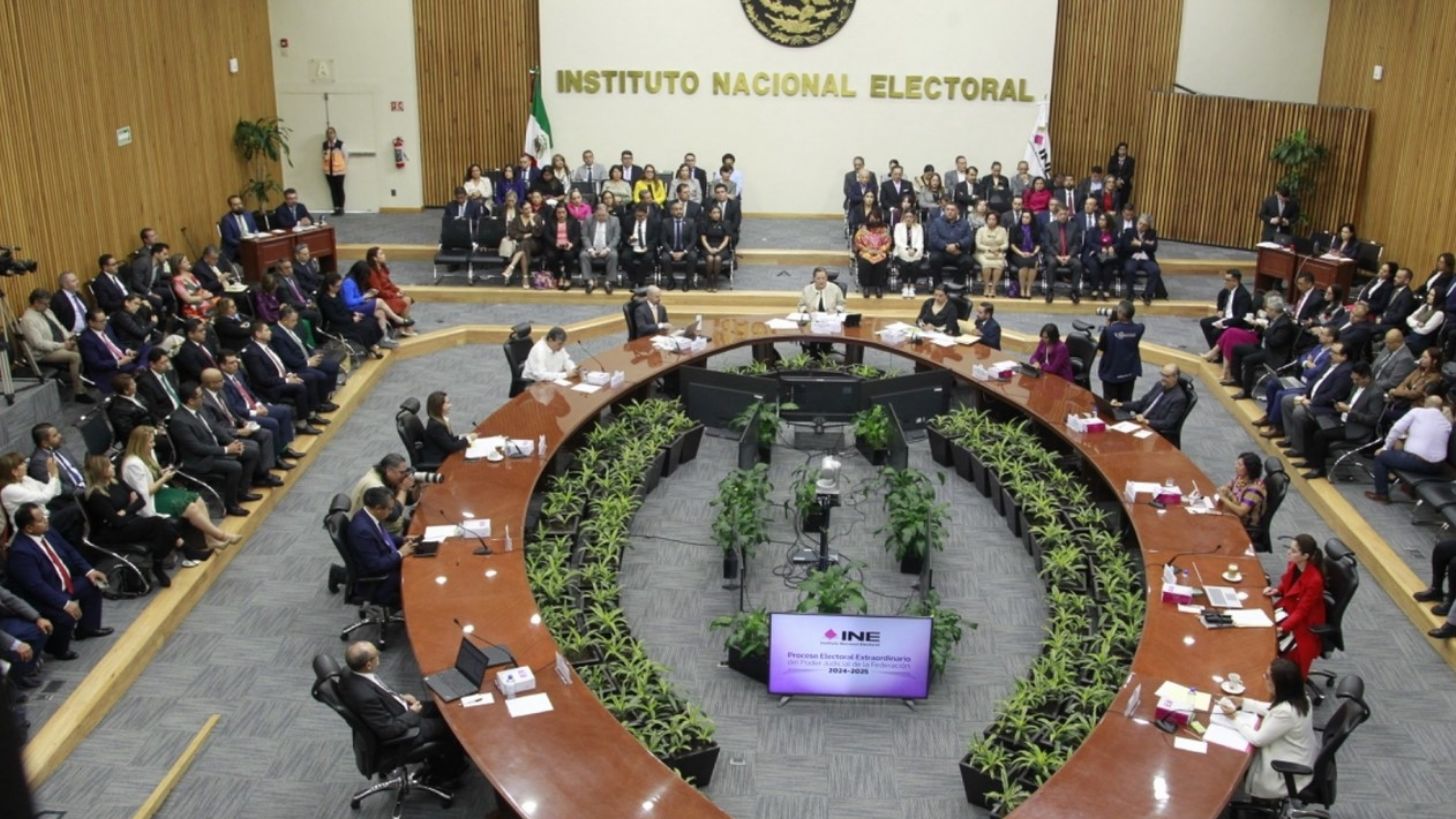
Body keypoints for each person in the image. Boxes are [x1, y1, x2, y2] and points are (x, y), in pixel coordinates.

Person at [338, 640, 468, 787]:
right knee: (453, 725)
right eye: (376, 655)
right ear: (368, 664)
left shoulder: (350, 674)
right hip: (404, 733)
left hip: (398, 710)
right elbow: (389, 730)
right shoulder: (365, 697)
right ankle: (447, 774)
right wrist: (412, 713)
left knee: (445, 708)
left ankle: (438, 759)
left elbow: (381, 694)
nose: (379, 656)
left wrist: (400, 697)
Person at [6, 502, 112, 660]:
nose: (46, 520)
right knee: (66, 615)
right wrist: (64, 603)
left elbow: (70, 551)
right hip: (42, 596)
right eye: (41, 520)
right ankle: (58, 650)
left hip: (62, 583)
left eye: (44, 516)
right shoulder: (21, 552)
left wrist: (89, 571)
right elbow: (36, 586)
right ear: (29, 528)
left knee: (92, 584)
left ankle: (87, 628)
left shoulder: (48, 532)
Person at [121, 425, 237, 553]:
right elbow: (145, 492)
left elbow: (154, 474)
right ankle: (221, 535)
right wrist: (164, 478)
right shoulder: (133, 464)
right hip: (148, 501)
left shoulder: (149, 453)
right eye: (150, 442)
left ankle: (210, 541)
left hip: (160, 491)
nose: (153, 445)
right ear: (140, 443)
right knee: (192, 509)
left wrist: (162, 472)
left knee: (197, 498)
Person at [1216, 657, 1315, 801]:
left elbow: (1258, 740)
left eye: (1268, 676)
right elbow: (1272, 709)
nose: (1264, 677)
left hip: (1283, 771)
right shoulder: (1301, 698)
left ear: (1279, 684)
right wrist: (1243, 703)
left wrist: (1234, 717)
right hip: (1300, 757)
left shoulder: (1286, 712)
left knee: (1228, 757)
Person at [81, 454, 184, 588]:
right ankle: (173, 555)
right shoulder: (96, 496)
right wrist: (130, 507)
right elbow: (117, 521)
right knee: (158, 523)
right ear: (101, 471)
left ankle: (160, 564)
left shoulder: (116, 481)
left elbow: (141, 500)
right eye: (109, 465)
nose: (113, 466)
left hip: (128, 521)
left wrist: (126, 511)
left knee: (161, 528)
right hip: (113, 532)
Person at [167, 381, 261, 517]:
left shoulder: (201, 409)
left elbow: (216, 428)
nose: (204, 398)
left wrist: (232, 442)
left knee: (251, 451)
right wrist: (226, 450)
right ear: (190, 400)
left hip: (214, 449)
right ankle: (231, 505)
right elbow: (196, 448)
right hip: (199, 460)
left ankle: (242, 492)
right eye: (200, 396)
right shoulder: (179, 421)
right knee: (234, 467)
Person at [1292, 361, 1384, 479]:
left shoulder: (1376, 393)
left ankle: (1319, 469)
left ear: (1366, 377)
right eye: (1353, 379)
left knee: (1320, 435)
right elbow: (1350, 402)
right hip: (1342, 420)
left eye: (1357, 380)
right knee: (1309, 423)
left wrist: (1349, 411)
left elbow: (1372, 420)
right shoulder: (1357, 386)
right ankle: (1310, 460)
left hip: (1356, 429)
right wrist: (1340, 406)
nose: (1354, 382)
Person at [1261, 535, 1328, 680]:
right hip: (1288, 610)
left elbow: (1302, 612)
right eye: (1289, 548)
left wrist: (1282, 628)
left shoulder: (1314, 581)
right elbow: (1288, 585)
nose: (1288, 553)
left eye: (1294, 551)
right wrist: (1277, 590)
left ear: (1305, 556)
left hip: (1303, 624)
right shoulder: (1293, 565)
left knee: (1269, 641)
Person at [1366, 393, 1453, 504]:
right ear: (1440, 408)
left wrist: (1385, 447)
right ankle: (1407, 488)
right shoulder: (1446, 423)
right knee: (1402, 451)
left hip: (1418, 462)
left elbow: (1396, 429)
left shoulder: (1417, 412)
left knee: (1381, 456)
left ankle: (1381, 494)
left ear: (1425, 404)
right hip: (1437, 466)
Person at [345, 487, 417, 607]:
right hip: (381, 580)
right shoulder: (362, 531)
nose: (392, 512)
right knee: (418, 581)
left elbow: (382, 536)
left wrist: (403, 539)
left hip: (387, 561)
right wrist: (400, 553)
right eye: (390, 509)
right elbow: (375, 566)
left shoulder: (367, 515)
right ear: (378, 508)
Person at [1279, 341, 1353, 457]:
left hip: (1326, 407)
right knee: (1287, 400)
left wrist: (1312, 402)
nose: (1330, 354)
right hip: (1312, 398)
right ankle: (1291, 438)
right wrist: (1305, 394)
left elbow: (1334, 395)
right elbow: (1315, 380)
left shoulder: (1346, 371)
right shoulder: (1329, 363)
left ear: (1344, 356)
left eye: (1334, 352)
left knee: (1299, 412)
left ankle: (1298, 448)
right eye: (1331, 351)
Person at [18, 289, 88, 401]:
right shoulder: (28, 320)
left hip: (59, 344)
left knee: (81, 347)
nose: (48, 306)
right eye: (45, 304)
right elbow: (39, 344)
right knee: (75, 357)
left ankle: (83, 379)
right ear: (36, 302)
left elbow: (59, 326)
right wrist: (63, 345)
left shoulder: (47, 311)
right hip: (42, 353)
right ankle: (79, 392)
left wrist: (69, 337)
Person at [1229, 296, 1297, 400]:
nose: (1266, 311)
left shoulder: (1285, 324)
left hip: (1274, 353)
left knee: (1248, 360)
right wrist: (1257, 325)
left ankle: (1246, 391)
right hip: (1263, 347)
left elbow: (1275, 342)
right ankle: (1238, 380)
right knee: (1236, 348)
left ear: (1274, 310)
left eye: (1268, 309)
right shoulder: (1272, 319)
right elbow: (1263, 335)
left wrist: (1266, 328)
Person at [318, 271, 386, 356]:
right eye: (338, 286)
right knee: (365, 327)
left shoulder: (337, 294)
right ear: (330, 286)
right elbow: (333, 317)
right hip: (338, 325)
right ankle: (372, 347)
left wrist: (354, 313)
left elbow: (344, 308)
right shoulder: (325, 300)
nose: (340, 288)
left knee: (371, 320)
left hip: (346, 317)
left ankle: (373, 344)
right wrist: (351, 319)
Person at [349, 454, 417, 537]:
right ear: (389, 470)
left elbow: (407, 501)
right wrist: (403, 489)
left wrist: (417, 486)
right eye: (401, 472)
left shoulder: (382, 475)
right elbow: (393, 514)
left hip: (387, 526)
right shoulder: (375, 486)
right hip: (378, 533)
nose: (405, 476)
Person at [1112, 365, 1187, 435]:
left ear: (1175, 377)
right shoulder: (1159, 385)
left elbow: (1168, 423)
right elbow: (1141, 403)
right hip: (1139, 421)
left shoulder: (1179, 398)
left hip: (1153, 430)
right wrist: (1121, 404)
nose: (1163, 378)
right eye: (1162, 374)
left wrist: (1146, 421)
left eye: (1166, 376)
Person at [1095, 300, 1144, 401]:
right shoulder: (1139, 329)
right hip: (1129, 374)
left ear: (1121, 313)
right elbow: (1138, 326)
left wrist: (1109, 325)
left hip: (1111, 374)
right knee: (1126, 402)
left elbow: (1101, 347)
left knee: (1110, 404)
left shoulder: (1109, 330)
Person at [1200, 270, 1254, 351]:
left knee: (1216, 332)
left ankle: (1219, 353)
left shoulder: (1243, 295)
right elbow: (1221, 295)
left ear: (1235, 282)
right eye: (1224, 279)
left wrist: (1224, 323)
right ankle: (1214, 349)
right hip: (1226, 318)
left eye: (1227, 280)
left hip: (1236, 322)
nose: (1224, 282)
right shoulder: (1227, 289)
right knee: (1204, 322)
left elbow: (1240, 317)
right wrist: (1220, 309)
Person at [420, 391, 476, 466]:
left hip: (445, 454)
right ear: (439, 406)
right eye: (447, 403)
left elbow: (448, 440)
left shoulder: (440, 420)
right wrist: (468, 439)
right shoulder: (435, 426)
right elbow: (451, 447)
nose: (450, 405)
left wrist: (462, 436)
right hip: (440, 461)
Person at [927, 203, 975, 287]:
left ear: (957, 211)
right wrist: (946, 246)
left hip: (958, 252)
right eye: (947, 210)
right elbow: (934, 238)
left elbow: (969, 238)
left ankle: (957, 285)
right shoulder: (937, 222)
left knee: (968, 261)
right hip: (941, 252)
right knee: (934, 259)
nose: (950, 212)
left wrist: (957, 245)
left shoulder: (964, 223)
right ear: (944, 211)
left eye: (952, 210)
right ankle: (938, 286)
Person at [1041, 208, 1082, 304]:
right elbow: (1047, 245)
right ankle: (1050, 290)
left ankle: (1074, 291)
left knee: (1078, 265)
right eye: (1060, 214)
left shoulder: (1074, 226)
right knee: (1051, 263)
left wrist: (1069, 256)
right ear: (1056, 215)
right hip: (1053, 255)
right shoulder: (1049, 226)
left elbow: (1077, 244)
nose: (1063, 216)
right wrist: (1057, 256)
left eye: (1065, 214)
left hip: (1069, 255)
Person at [1120, 213, 1162, 305]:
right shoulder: (1129, 231)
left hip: (1146, 259)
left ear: (1148, 226)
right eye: (1140, 223)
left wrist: (1139, 243)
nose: (1141, 226)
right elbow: (1126, 247)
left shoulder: (1152, 233)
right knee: (1129, 269)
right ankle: (1130, 294)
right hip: (1132, 258)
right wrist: (1145, 245)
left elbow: (1153, 248)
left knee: (1155, 270)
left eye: (1144, 225)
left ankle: (1147, 295)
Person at [658, 201, 698, 289]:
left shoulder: (691, 222)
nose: (678, 211)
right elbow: (663, 240)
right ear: (671, 211)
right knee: (665, 258)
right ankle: (671, 281)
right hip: (670, 249)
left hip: (686, 249)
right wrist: (671, 252)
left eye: (680, 209)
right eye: (676, 209)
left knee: (693, 257)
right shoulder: (665, 222)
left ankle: (687, 281)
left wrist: (684, 252)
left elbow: (693, 240)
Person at [1081, 212, 1119, 301]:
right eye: (1100, 219)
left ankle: (1106, 289)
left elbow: (1118, 243)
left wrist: (1113, 247)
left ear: (1108, 221)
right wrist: (1100, 248)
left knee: (1108, 267)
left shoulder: (1113, 231)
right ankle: (1094, 289)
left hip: (1107, 256)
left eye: (1103, 220)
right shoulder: (1092, 230)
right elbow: (1089, 242)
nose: (1100, 221)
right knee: (1094, 266)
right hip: (1093, 253)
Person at [543, 203, 581, 290]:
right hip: (554, 246)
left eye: (563, 212)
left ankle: (568, 278)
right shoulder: (550, 222)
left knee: (568, 255)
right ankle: (559, 276)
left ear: (567, 212)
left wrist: (571, 244)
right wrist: (555, 243)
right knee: (551, 256)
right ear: (555, 213)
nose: (561, 215)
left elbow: (577, 236)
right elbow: (547, 235)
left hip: (569, 246)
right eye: (559, 213)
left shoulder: (574, 221)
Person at [853, 212, 891, 299]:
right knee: (864, 262)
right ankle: (865, 287)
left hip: (880, 252)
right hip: (866, 251)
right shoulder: (862, 231)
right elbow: (858, 243)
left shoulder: (884, 231)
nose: (874, 220)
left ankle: (879, 287)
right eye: (872, 218)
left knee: (881, 262)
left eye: (876, 218)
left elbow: (887, 243)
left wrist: (879, 250)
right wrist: (868, 250)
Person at [622, 205, 659, 288]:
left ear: (646, 214)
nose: (639, 218)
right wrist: (629, 239)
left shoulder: (653, 222)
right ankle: (634, 279)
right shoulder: (628, 220)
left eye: (642, 216)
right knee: (625, 257)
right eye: (637, 216)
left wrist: (648, 247)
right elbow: (624, 234)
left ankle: (639, 281)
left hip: (646, 246)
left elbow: (655, 238)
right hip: (632, 246)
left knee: (648, 258)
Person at [170, 256, 217, 320]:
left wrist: (207, 293)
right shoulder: (177, 281)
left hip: (204, 301)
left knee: (223, 304)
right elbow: (188, 299)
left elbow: (200, 289)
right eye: (185, 261)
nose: (188, 262)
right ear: (178, 265)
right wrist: (203, 297)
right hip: (193, 307)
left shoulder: (191, 275)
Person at [1007, 210, 1041, 299]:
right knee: (1024, 264)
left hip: (1031, 253)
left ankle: (1028, 289)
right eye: (1023, 217)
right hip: (1017, 253)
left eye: (1027, 217)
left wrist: (1034, 252)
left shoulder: (1035, 229)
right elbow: (1012, 245)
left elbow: (1038, 244)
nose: (1024, 219)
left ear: (1031, 219)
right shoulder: (1014, 228)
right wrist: (1021, 253)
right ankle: (1022, 289)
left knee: (1034, 264)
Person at [892, 209, 925, 297]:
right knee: (904, 264)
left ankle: (912, 287)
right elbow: (897, 241)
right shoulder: (898, 226)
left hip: (915, 252)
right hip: (901, 251)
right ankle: (905, 286)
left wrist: (914, 249)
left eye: (910, 217)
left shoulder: (919, 227)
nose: (908, 219)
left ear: (914, 218)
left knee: (915, 264)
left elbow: (920, 242)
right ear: (903, 217)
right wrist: (907, 249)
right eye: (906, 217)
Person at [700, 205, 733, 293]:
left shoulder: (726, 223)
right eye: (714, 213)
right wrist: (709, 248)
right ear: (710, 214)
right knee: (710, 258)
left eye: (718, 213)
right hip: (707, 246)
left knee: (718, 258)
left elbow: (726, 239)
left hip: (722, 247)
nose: (716, 215)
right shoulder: (704, 223)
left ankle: (715, 281)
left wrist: (718, 249)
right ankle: (708, 281)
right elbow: (703, 238)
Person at [218, 195, 258, 263]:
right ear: (230, 206)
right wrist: (244, 244)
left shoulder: (248, 214)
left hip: (251, 243)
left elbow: (255, 229)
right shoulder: (226, 219)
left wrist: (257, 235)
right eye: (235, 205)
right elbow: (228, 239)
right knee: (251, 253)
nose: (239, 206)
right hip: (235, 247)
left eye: (240, 203)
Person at [1406, 287, 1445, 354]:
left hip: (1421, 341)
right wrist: (1417, 323)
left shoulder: (1439, 313)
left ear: (1438, 298)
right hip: (1411, 336)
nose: (1428, 296)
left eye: (1432, 295)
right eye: (1429, 294)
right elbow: (1408, 318)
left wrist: (1412, 324)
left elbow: (1424, 331)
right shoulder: (1424, 306)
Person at [321, 127, 347, 214]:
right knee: (333, 190)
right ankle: (336, 208)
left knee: (340, 189)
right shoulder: (325, 144)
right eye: (328, 133)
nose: (330, 135)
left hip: (339, 171)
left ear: (335, 133)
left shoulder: (341, 144)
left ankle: (341, 208)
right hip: (328, 171)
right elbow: (323, 156)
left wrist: (343, 167)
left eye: (331, 132)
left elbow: (346, 157)